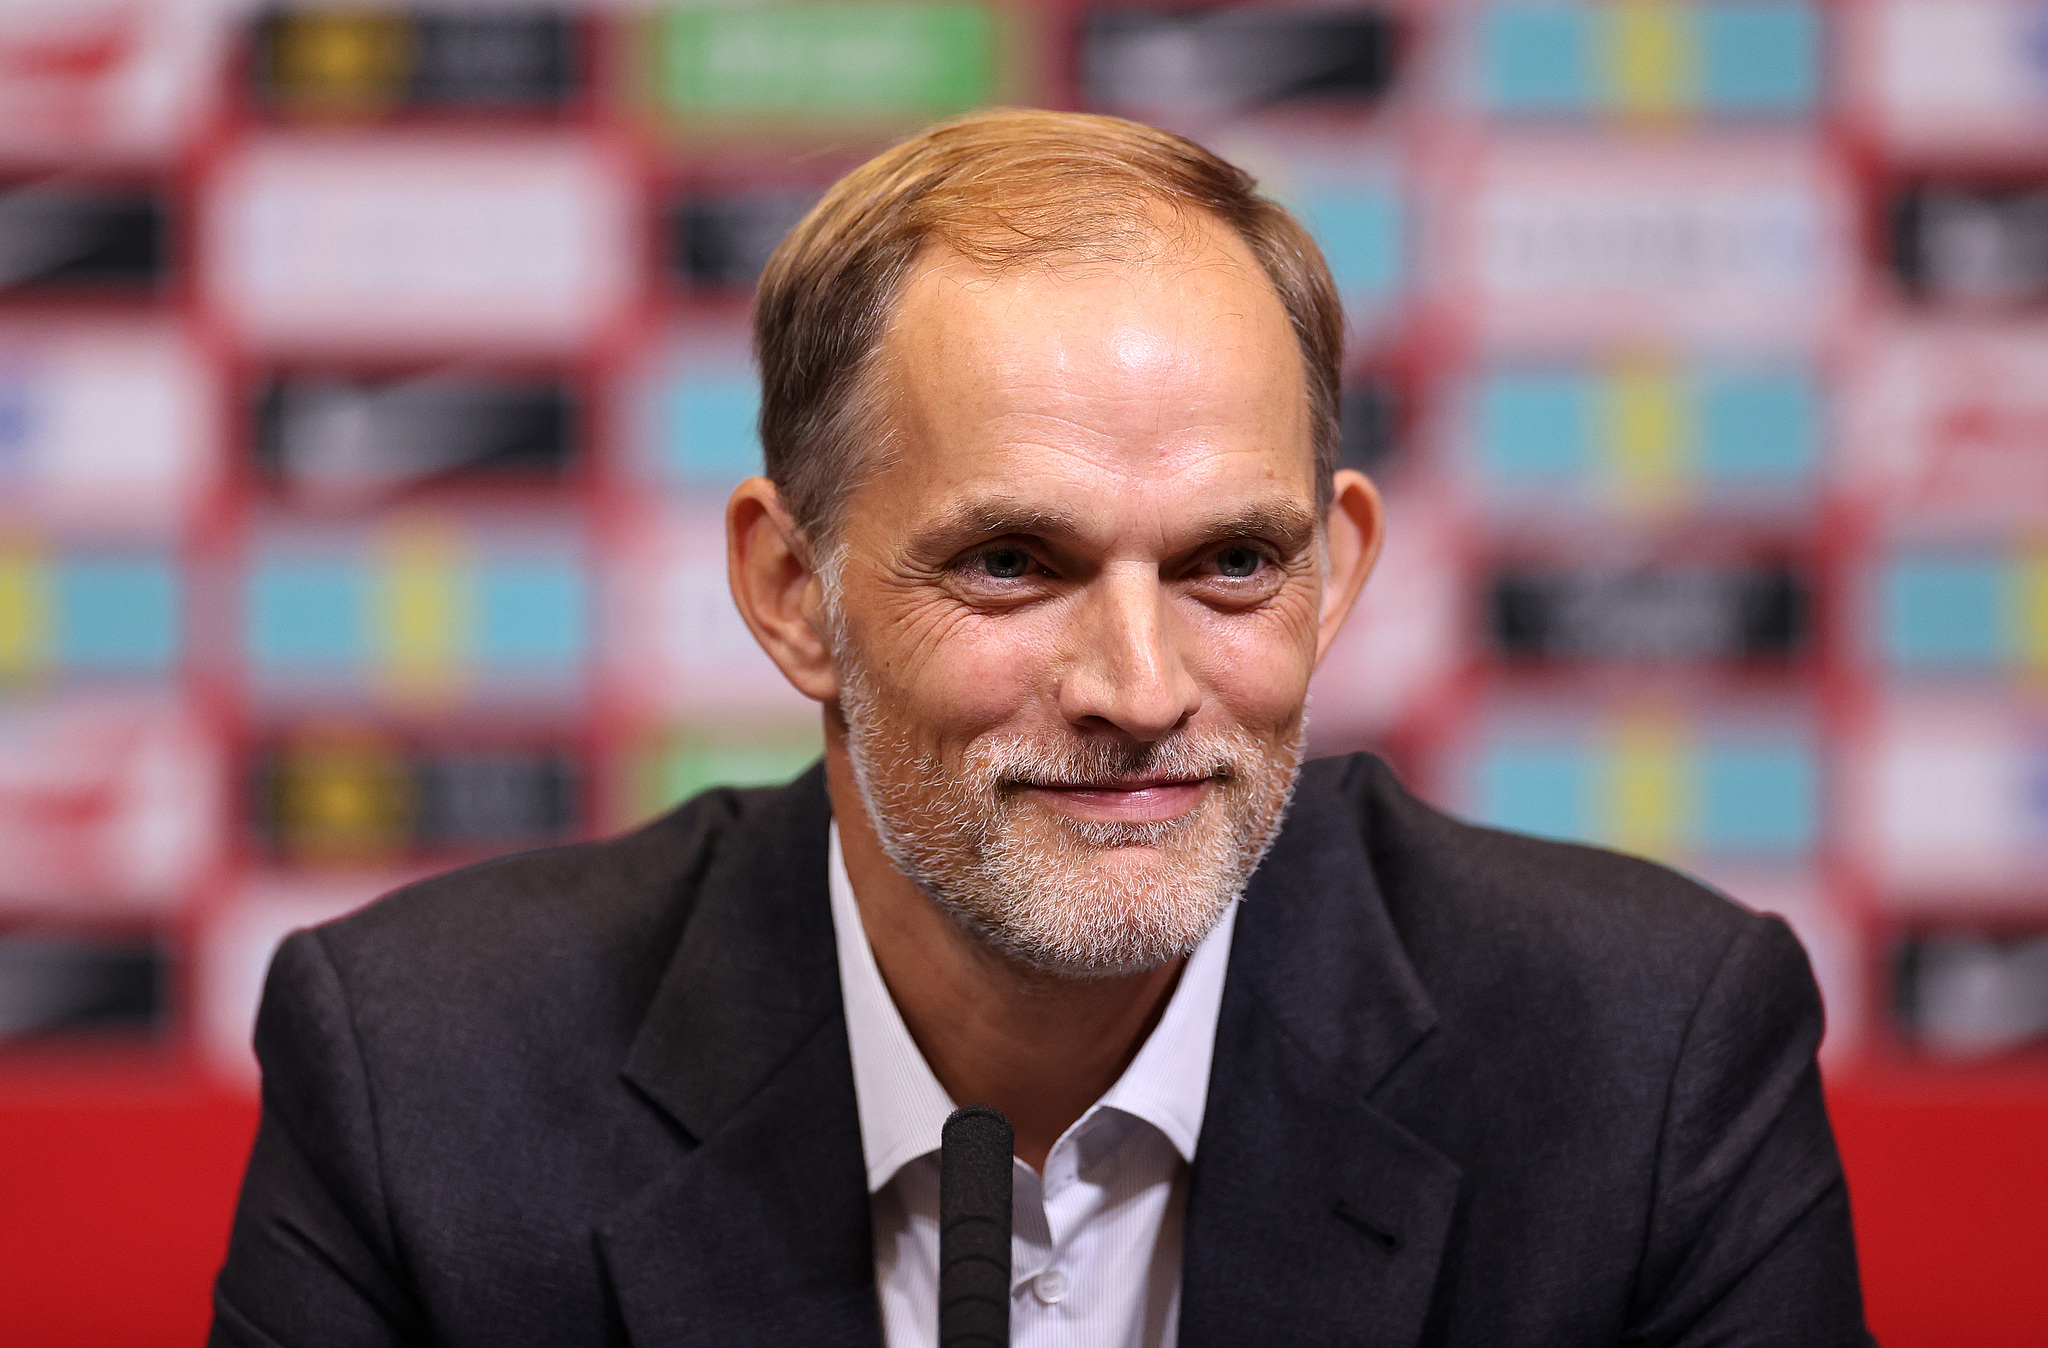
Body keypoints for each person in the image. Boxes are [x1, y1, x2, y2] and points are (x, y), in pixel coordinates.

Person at [211, 110, 1870, 1348]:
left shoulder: (1649, 1061)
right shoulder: (419, 1078)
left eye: (1232, 563)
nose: (1140, 689)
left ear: (1338, 569)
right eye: (1013, 563)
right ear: (795, 592)